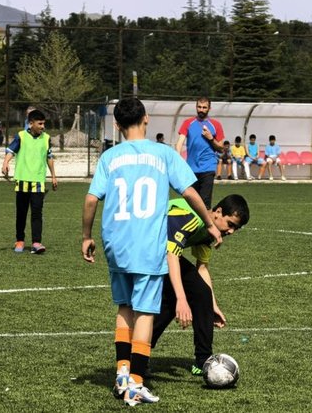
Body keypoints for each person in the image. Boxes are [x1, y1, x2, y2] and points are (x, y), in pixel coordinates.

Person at [81, 97, 222, 407]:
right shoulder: (163, 154)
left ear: (116, 125)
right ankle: (136, 382)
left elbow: (92, 200)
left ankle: (121, 372)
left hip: (116, 244)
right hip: (147, 245)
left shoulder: (110, 157)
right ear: (145, 118)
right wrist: (210, 223)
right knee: (145, 310)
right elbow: (189, 192)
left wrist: (86, 236)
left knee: (124, 306)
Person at [151, 194, 250, 376]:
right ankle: (140, 350)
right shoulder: (188, 217)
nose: (231, 232)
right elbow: (170, 255)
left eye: (236, 228)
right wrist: (182, 299)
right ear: (218, 212)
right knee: (174, 297)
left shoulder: (209, 231)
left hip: (160, 253)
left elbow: (202, 269)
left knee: (199, 292)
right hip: (144, 250)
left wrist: (212, 306)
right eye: (230, 224)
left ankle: (203, 361)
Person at [1, 109, 57, 254]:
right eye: (40, 123)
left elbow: (49, 157)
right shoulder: (21, 136)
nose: (43, 126)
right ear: (31, 123)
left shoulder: (46, 138)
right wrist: (5, 163)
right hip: (22, 182)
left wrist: (53, 176)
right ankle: (19, 240)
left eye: (44, 123)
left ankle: (36, 243)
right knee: (21, 213)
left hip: (38, 182)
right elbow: (10, 151)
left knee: (37, 214)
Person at [175, 96, 225, 208]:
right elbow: (179, 143)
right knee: (190, 202)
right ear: (196, 107)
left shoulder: (216, 125)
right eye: (199, 107)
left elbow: (221, 148)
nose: (201, 109)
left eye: (204, 107)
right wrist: (178, 161)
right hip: (191, 168)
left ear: (209, 108)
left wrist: (211, 138)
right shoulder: (188, 123)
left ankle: (206, 225)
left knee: (205, 202)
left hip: (208, 167)